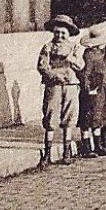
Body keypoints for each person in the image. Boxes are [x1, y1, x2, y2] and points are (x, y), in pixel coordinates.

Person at [36, 14, 84, 166]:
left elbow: (81, 65)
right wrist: (55, 76)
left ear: (69, 33)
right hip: (54, 86)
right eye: (57, 32)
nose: (60, 35)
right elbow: (42, 66)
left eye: (63, 33)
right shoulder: (48, 47)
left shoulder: (74, 47)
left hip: (70, 86)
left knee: (69, 119)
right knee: (51, 117)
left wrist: (72, 60)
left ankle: (67, 151)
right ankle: (47, 153)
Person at [77, 21, 106, 158]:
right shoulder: (90, 55)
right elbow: (86, 73)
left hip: (101, 89)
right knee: (89, 119)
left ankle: (98, 144)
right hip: (92, 90)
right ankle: (87, 146)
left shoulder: (98, 52)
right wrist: (89, 88)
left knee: (98, 117)